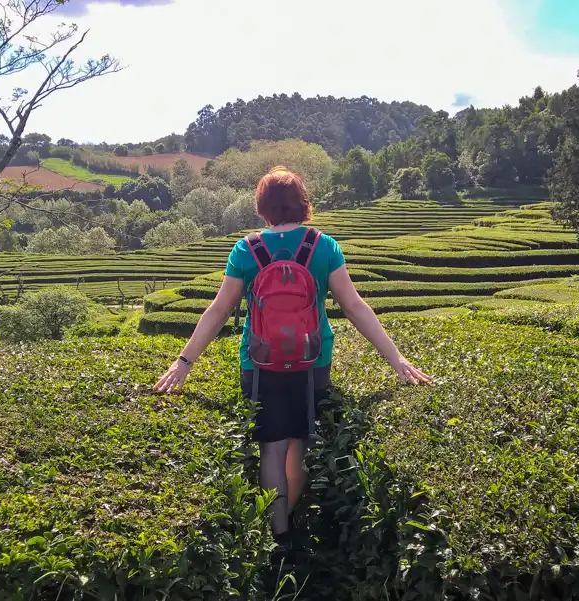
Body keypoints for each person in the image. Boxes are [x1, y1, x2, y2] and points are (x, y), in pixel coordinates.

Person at [154, 166, 431, 555]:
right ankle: (294, 525)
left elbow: (218, 310)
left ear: (262, 207)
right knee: (298, 445)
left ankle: (279, 534)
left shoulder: (246, 250)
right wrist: (396, 359)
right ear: (303, 204)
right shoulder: (323, 246)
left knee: (271, 446)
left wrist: (183, 362)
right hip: (311, 363)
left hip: (259, 363)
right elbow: (354, 306)